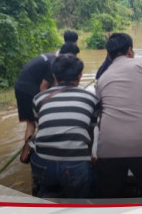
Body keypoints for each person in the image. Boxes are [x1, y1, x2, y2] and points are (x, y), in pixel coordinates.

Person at [95, 33, 142, 198]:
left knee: (111, 199)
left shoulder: (102, 78)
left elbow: (99, 113)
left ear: (108, 55)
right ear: (130, 51)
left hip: (109, 146)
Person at [29, 54, 98, 198]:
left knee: (49, 196)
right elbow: (90, 132)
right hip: (74, 165)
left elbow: (39, 126)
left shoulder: (38, 98)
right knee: (80, 197)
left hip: (42, 162)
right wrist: (90, 155)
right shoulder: (92, 99)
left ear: (54, 76)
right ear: (80, 76)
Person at [14, 42, 80, 143]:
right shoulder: (52, 64)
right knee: (34, 124)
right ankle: (28, 152)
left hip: (21, 88)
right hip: (28, 90)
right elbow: (43, 88)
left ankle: (31, 150)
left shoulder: (51, 57)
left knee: (32, 123)